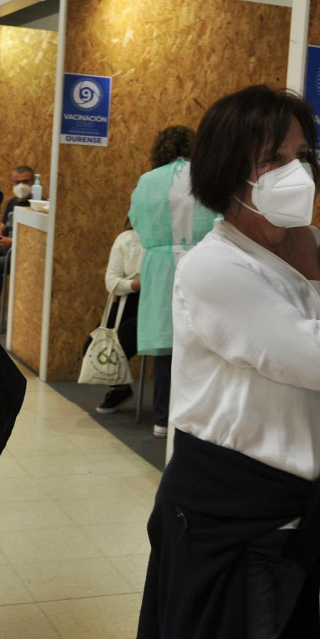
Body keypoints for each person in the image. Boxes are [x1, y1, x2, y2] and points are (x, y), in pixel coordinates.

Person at [124, 85, 320, 639]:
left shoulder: (307, 249)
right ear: (229, 170)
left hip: (298, 518)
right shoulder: (216, 267)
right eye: (274, 159)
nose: (296, 172)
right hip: (231, 518)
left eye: (302, 155)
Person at [128, 126, 214, 438]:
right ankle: (197, 417)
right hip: (202, 262)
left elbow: (136, 220)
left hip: (160, 265)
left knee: (166, 343)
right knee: (200, 339)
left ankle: (162, 418)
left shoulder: (148, 181)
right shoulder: (206, 176)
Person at [94, 223, 143, 413]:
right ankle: (120, 388)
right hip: (128, 299)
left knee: (120, 342)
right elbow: (111, 281)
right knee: (95, 345)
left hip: (155, 304)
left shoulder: (166, 241)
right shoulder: (125, 239)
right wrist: (136, 285)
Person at [0, 164, 34, 326]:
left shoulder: (39, 205)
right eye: (17, 182)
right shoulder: (12, 203)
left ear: (33, 182)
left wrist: (11, 242)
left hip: (23, 255)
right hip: (5, 251)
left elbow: (36, 242)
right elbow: (2, 228)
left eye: (25, 181)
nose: (21, 186)